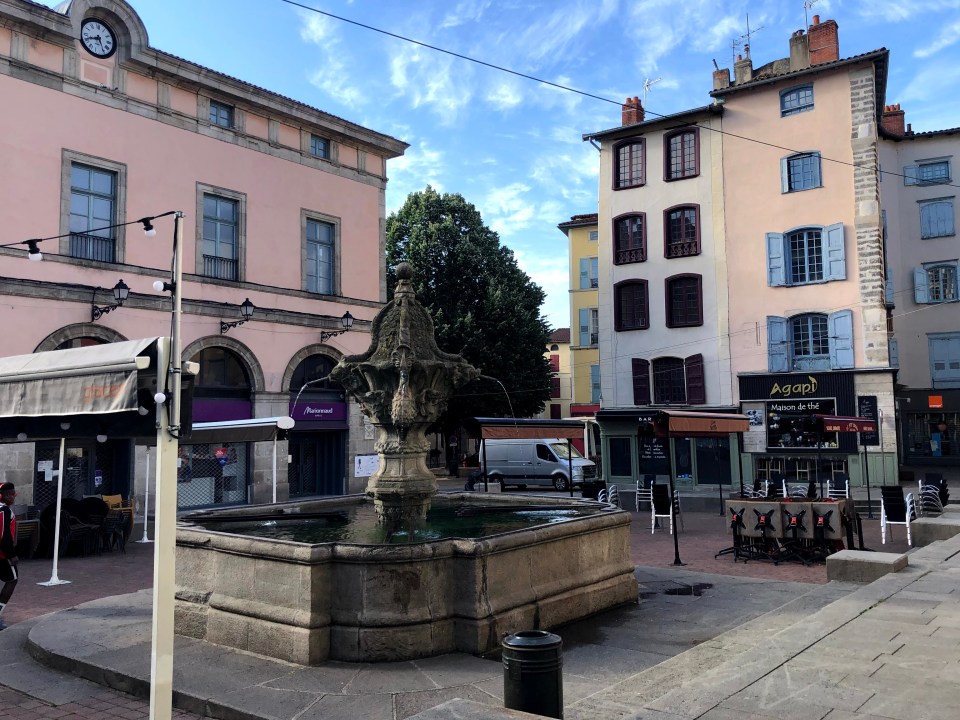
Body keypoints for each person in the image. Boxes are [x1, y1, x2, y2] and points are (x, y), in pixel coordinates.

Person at [0, 482, 18, 631]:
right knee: (12, 579)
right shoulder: (4, 511)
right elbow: (4, 536)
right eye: (10, 494)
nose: (13, 497)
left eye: (13, 494)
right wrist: (11, 555)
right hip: (2, 555)